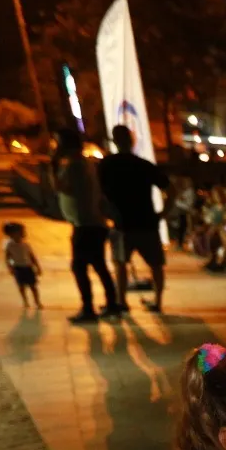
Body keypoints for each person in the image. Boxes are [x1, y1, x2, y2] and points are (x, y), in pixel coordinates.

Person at [100, 124, 170, 313]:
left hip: (121, 222)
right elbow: (169, 188)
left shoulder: (106, 165)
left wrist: (104, 213)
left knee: (120, 264)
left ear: (114, 141)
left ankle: (122, 301)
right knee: (156, 265)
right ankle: (157, 301)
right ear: (132, 141)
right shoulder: (143, 165)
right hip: (147, 221)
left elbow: (98, 193)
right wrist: (163, 213)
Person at [54, 127, 121, 323]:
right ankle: (111, 304)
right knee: (99, 265)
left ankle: (89, 308)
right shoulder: (86, 164)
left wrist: (53, 164)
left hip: (85, 224)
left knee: (79, 267)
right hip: (92, 222)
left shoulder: (75, 166)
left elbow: (61, 187)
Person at [2, 221, 41, 308]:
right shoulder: (9, 245)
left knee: (33, 286)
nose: (22, 233)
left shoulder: (26, 244)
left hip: (28, 267)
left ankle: (37, 301)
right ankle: (25, 301)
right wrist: (10, 266)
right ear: (11, 234)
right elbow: (8, 258)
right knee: (21, 286)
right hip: (18, 268)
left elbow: (32, 256)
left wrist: (37, 267)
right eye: (19, 231)